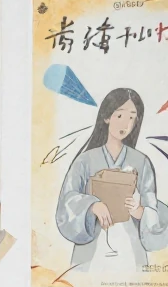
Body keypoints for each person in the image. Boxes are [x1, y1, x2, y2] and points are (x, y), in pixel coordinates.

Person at [56, 87, 168, 273]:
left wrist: (140, 211)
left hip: (131, 249)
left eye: (132, 117)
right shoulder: (85, 160)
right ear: (106, 117)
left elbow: (152, 209)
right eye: (119, 116)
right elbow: (66, 201)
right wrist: (91, 205)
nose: (125, 123)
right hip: (91, 247)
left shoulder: (142, 162)